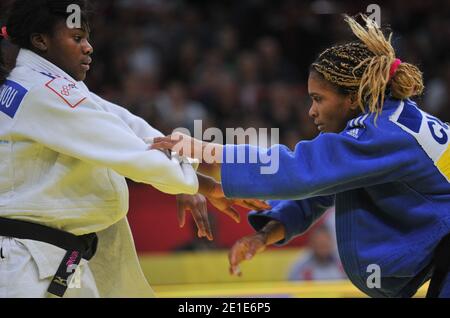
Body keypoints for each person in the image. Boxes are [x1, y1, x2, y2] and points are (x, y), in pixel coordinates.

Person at [151, 15, 450, 298]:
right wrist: (265, 235)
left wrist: (207, 152)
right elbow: (318, 189)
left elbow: (298, 171)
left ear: (353, 98)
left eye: (318, 99)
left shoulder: (383, 132)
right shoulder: (386, 122)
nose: (311, 111)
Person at [0, 0, 268, 298]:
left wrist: (191, 174)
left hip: (58, 257)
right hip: (30, 264)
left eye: (87, 38)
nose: (88, 47)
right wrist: (205, 185)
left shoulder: (43, 84)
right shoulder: (43, 93)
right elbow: (131, 152)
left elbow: (130, 127)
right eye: (77, 39)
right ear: (41, 40)